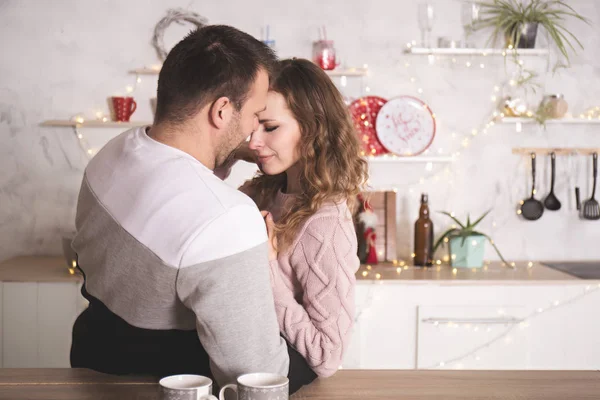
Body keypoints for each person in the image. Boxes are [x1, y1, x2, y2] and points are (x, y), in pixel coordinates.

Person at [70, 25, 314, 393]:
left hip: (92, 357)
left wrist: (227, 150)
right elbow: (257, 376)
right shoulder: (226, 219)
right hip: (165, 386)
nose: (253, 132)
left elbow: (179, 188)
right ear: (221, 111)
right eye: (254, 115)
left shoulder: (113, 153)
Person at [221, 58, 369, 378]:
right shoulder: (264, 191)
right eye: (253, 126)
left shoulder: (325, 224)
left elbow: (327, 357)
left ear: (313, 128)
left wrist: (268, 268)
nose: (254, 142)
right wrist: (231, 153)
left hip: (279, 383)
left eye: (271, 127)